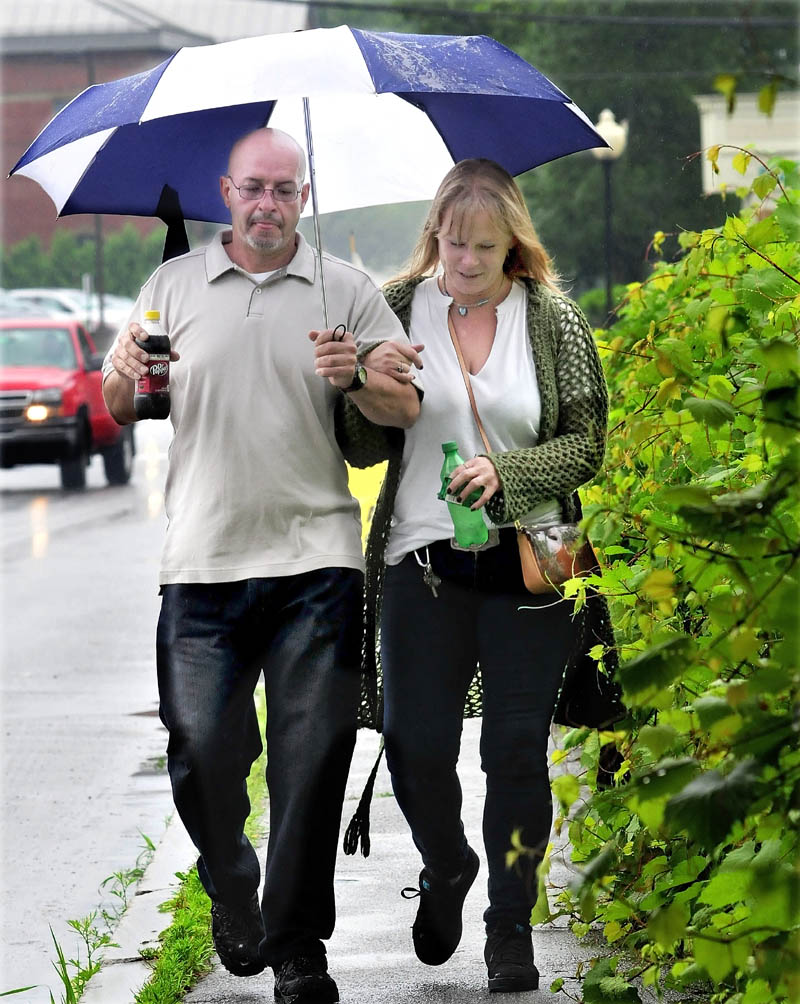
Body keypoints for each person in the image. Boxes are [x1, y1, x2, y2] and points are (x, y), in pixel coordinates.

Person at [102, 127, 420, 1004]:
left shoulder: (346, 289)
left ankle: (297, 949)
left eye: (285, 189)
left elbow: (405, 406)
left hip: (316, 560)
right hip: (200, 562)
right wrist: (126, 368)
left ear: (303, 197)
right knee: (202, 748)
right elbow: (125, 402)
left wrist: (354, 372)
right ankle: (230, 877)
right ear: (227, 192)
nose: (269, 204)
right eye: (254, 189)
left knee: (311, 758)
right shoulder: (172, 285)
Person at [360, 158, 610, 994]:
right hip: (422, 565)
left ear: (515, 246)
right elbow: (361, 448)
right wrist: (358, 385)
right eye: (451, 242)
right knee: (414, 746)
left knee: (514, 752)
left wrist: (512, 473)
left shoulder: (553, 320)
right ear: (434, 233)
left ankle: (510, 926)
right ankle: (448, 866)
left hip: (530, 569)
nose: (462, 261)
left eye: (483, 247)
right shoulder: (395, 309)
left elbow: (588, 443)